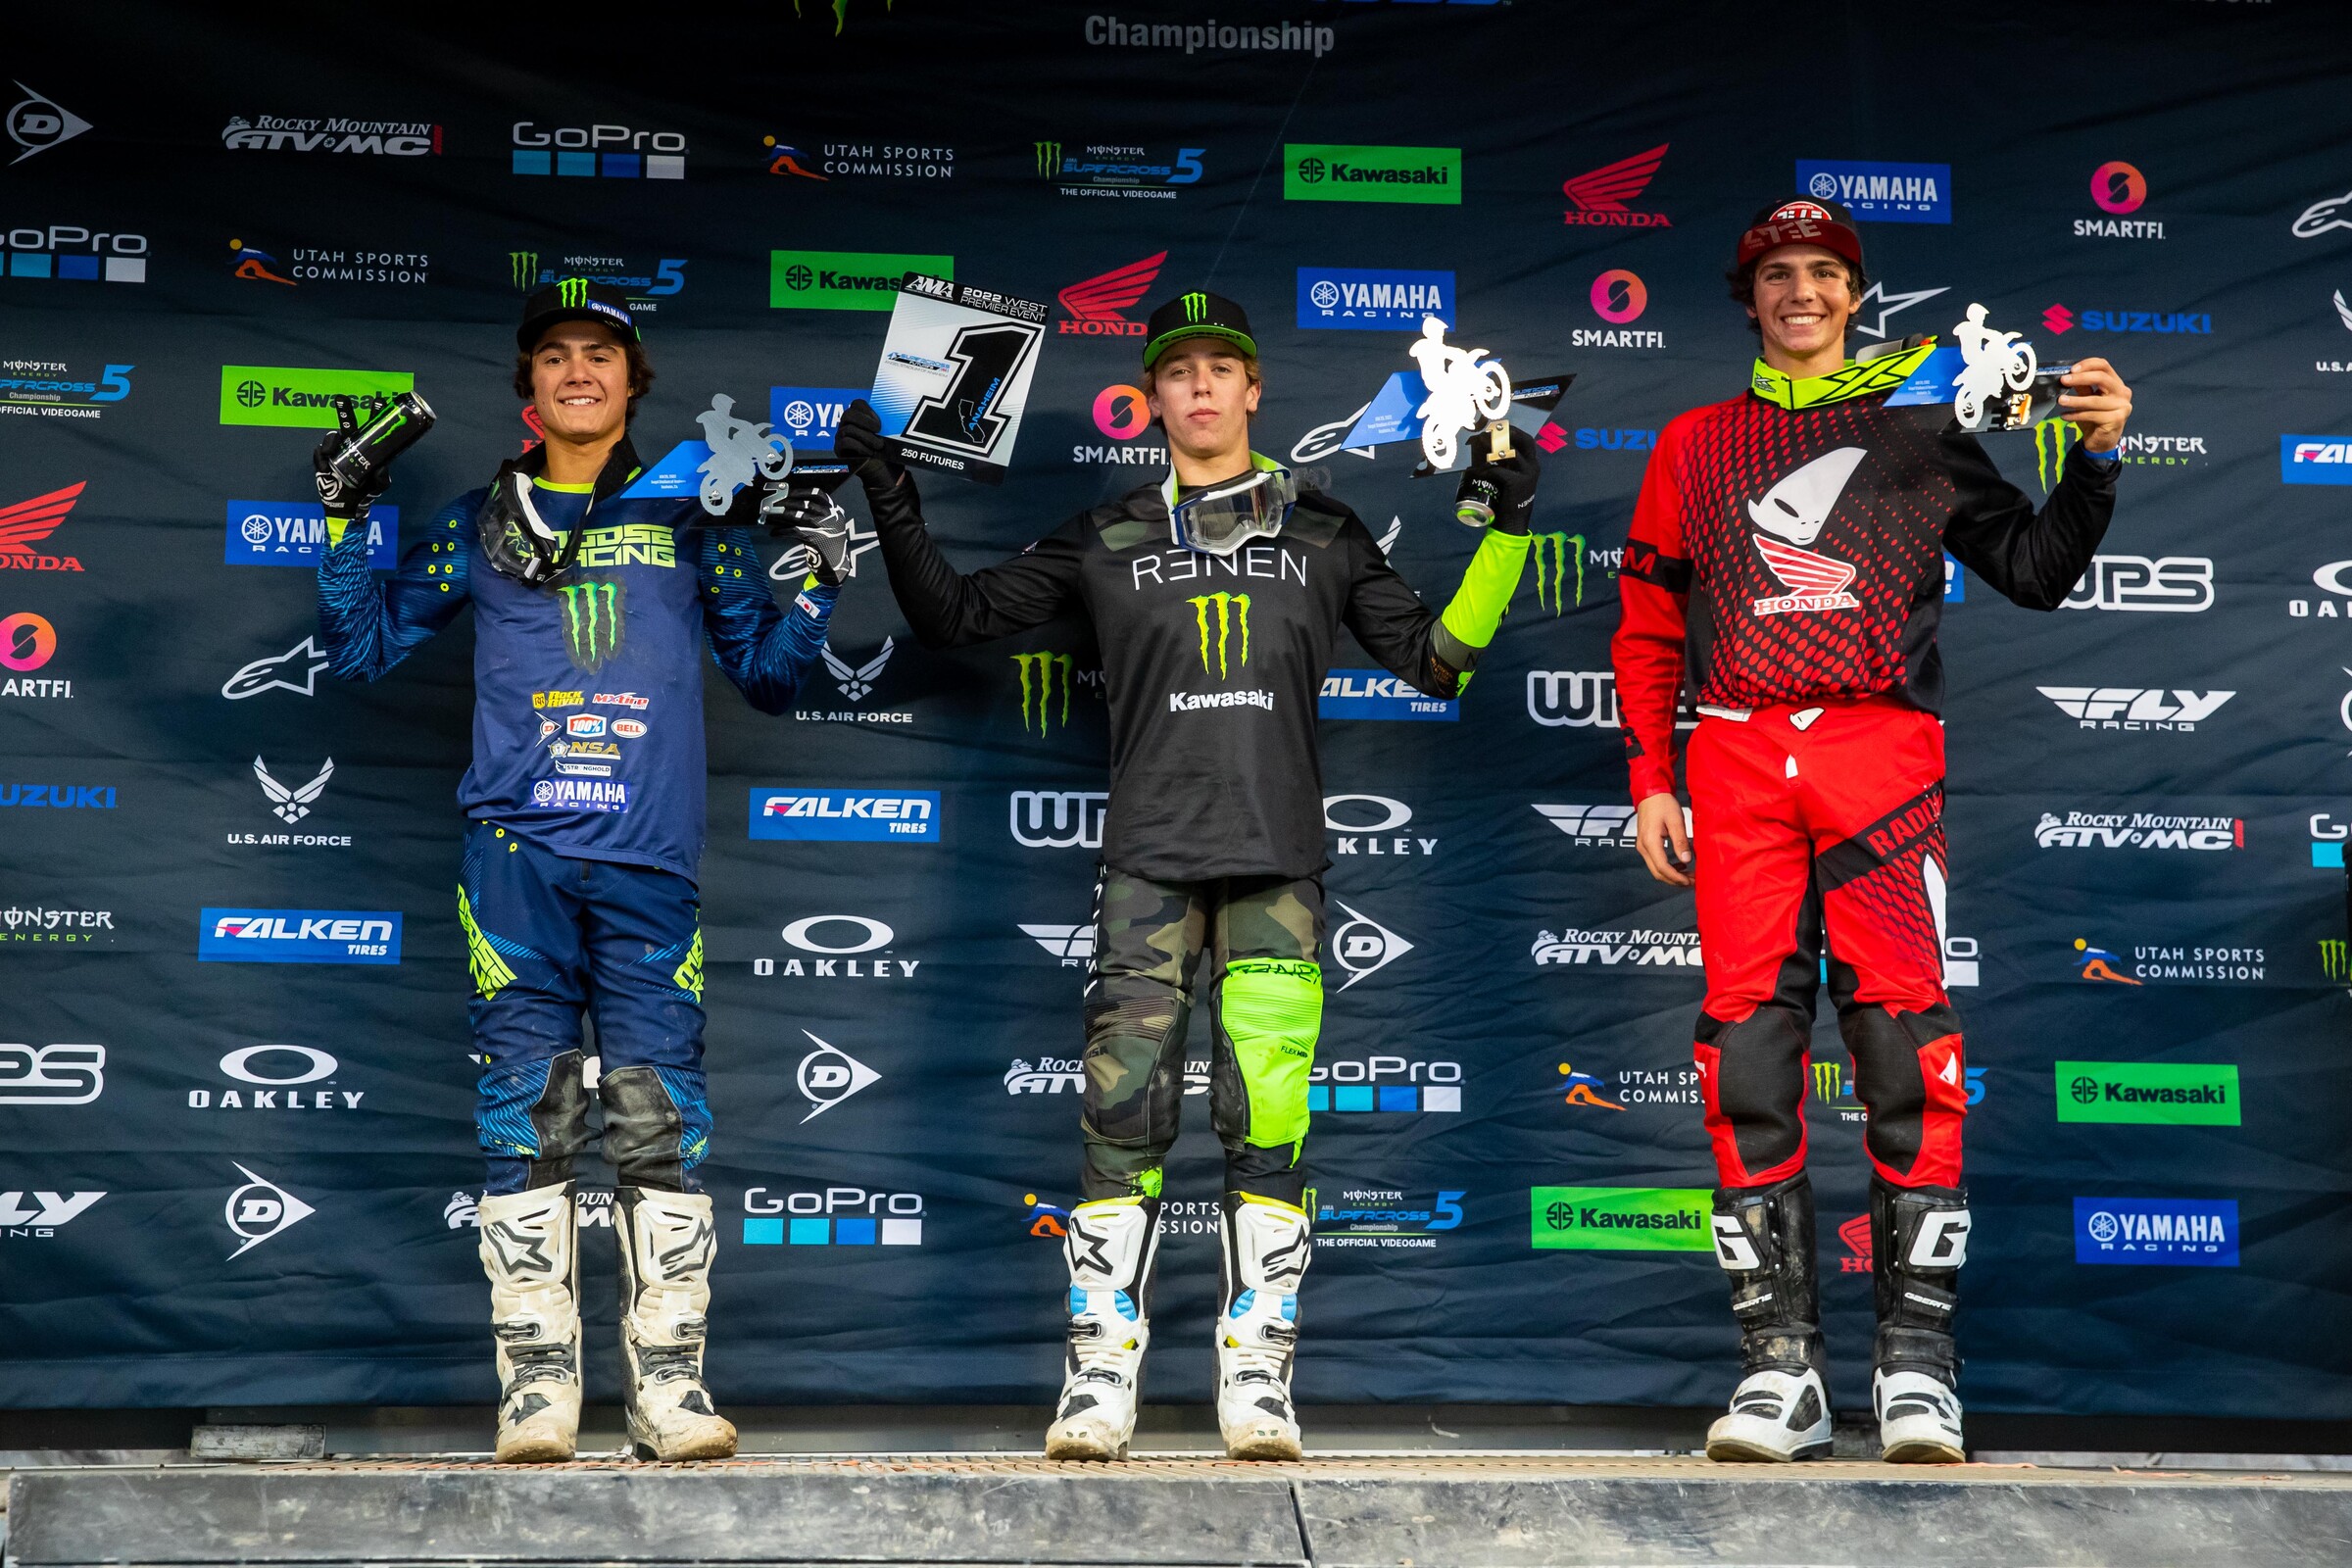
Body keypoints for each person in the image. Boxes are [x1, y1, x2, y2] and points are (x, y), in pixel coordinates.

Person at [834, 290, 1540, 1461]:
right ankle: (1099, 1377)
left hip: (1278, 872)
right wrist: (892, 493)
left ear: (1255, 388)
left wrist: (1508, 526)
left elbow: (1440, 662)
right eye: (1178, 370)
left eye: (1221, 366)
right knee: (1120, 1122)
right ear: (1151, 398)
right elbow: (953, 616)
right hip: (1148, 871)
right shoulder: (1105, 535)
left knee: (1269, 1128)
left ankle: (1256, 1379)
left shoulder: (1325, 528)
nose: (1201, 385)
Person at [1611, 198, 2132, 1464]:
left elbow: (2034, 569)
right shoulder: (1693, 441)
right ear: (1748, 298)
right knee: (1744, 1056)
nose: (1801, 292)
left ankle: (1917, 1369)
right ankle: (1779, 1373)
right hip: (1735, 759)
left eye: (1823, 273)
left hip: (1879, 759)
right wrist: (1650, 778)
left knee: (1908, 1049)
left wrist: (2097, 460)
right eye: (1777, 273)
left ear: (1857, 296)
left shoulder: (1922, 424)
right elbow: (1648, 623)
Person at [314, 277, 848, 1463]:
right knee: (527, 1116)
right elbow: (358, 649)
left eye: (600, 353)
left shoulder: (692, 513)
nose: (577, 371)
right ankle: (537, 1391)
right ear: (529, 383)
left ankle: (671, 1391)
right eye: (554, 353)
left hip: (647, 862)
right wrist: (349, 514)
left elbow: (769, 676)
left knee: (661, 1121)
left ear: (632, 379)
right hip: (517, 859)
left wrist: (812, 579)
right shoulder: (480, 518)